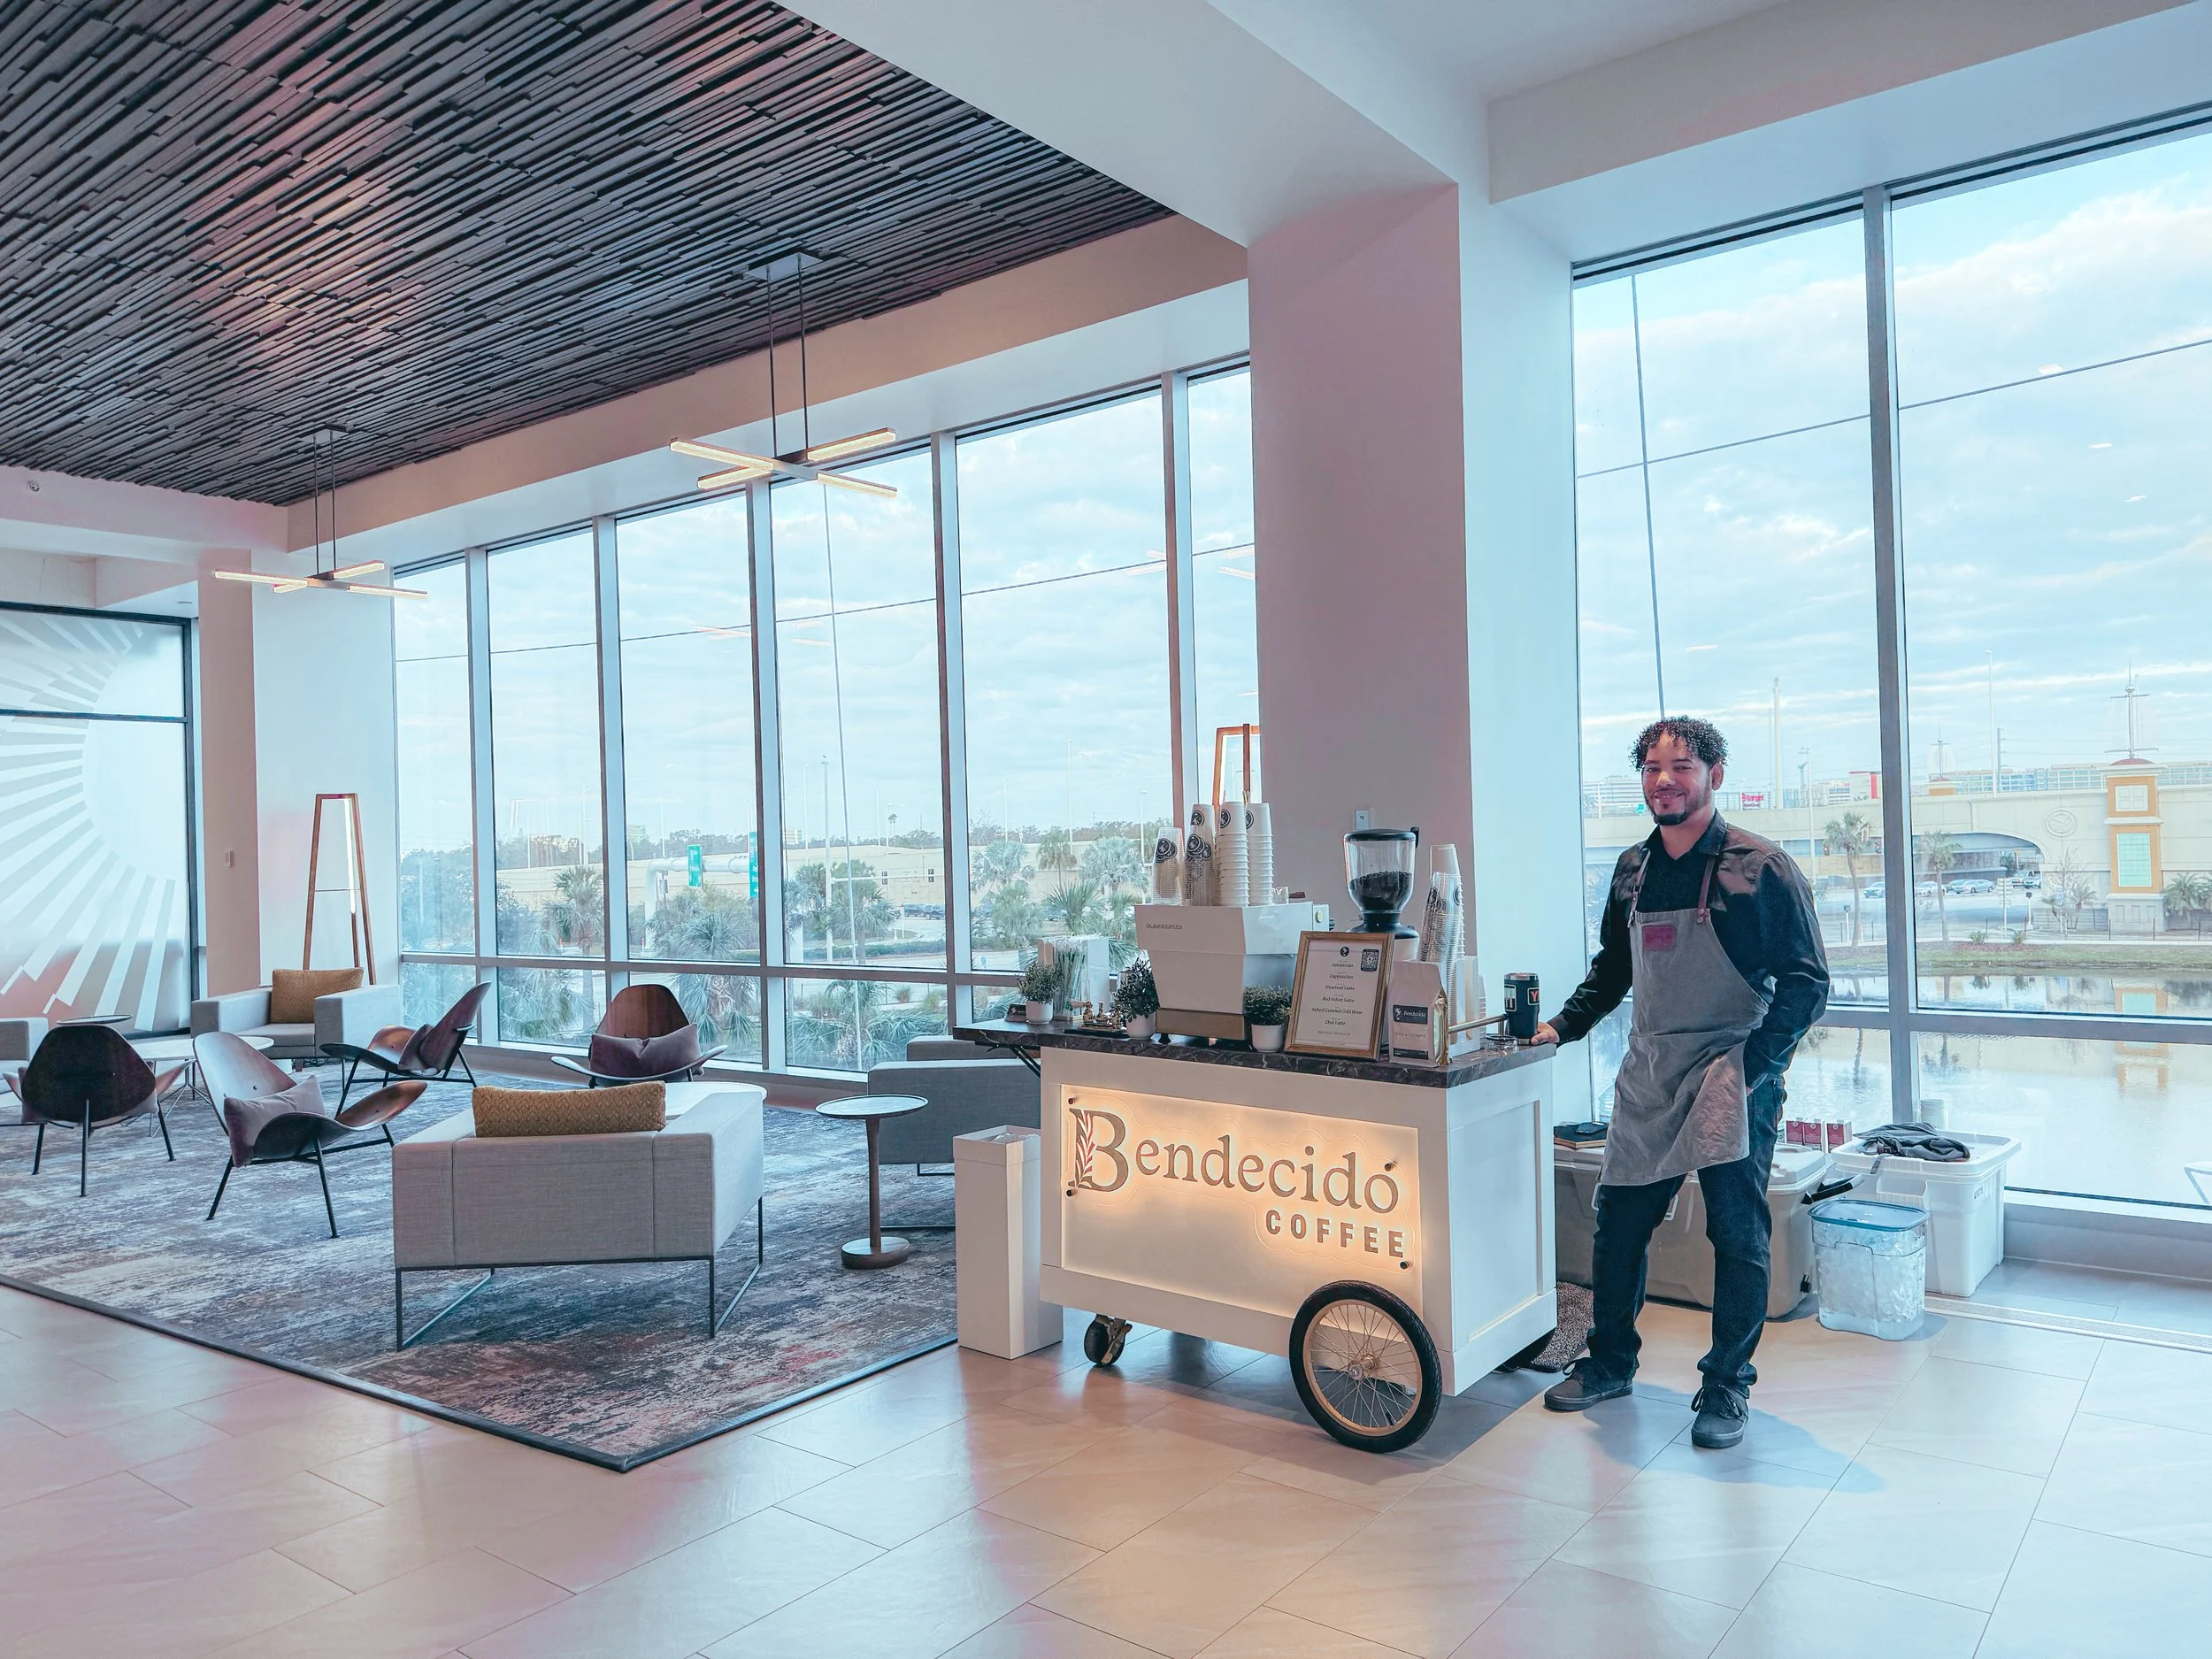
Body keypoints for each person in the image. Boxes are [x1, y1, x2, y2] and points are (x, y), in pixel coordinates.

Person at [1537, 717, 1829, 1449]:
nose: (1664, 779)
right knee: (1619, 1225)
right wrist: (1559, 1028)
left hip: (1733, 1070)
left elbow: (1808, 984)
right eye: (1651, 767)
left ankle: (1727, 1385)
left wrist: (1752, 1068)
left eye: (1682, 766)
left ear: (1715, 776)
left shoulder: (1761, 869)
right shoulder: (1632, 869)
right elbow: (1614, 969)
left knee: (1736, 1232)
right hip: (1650, 1071)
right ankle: (1609, 1363)